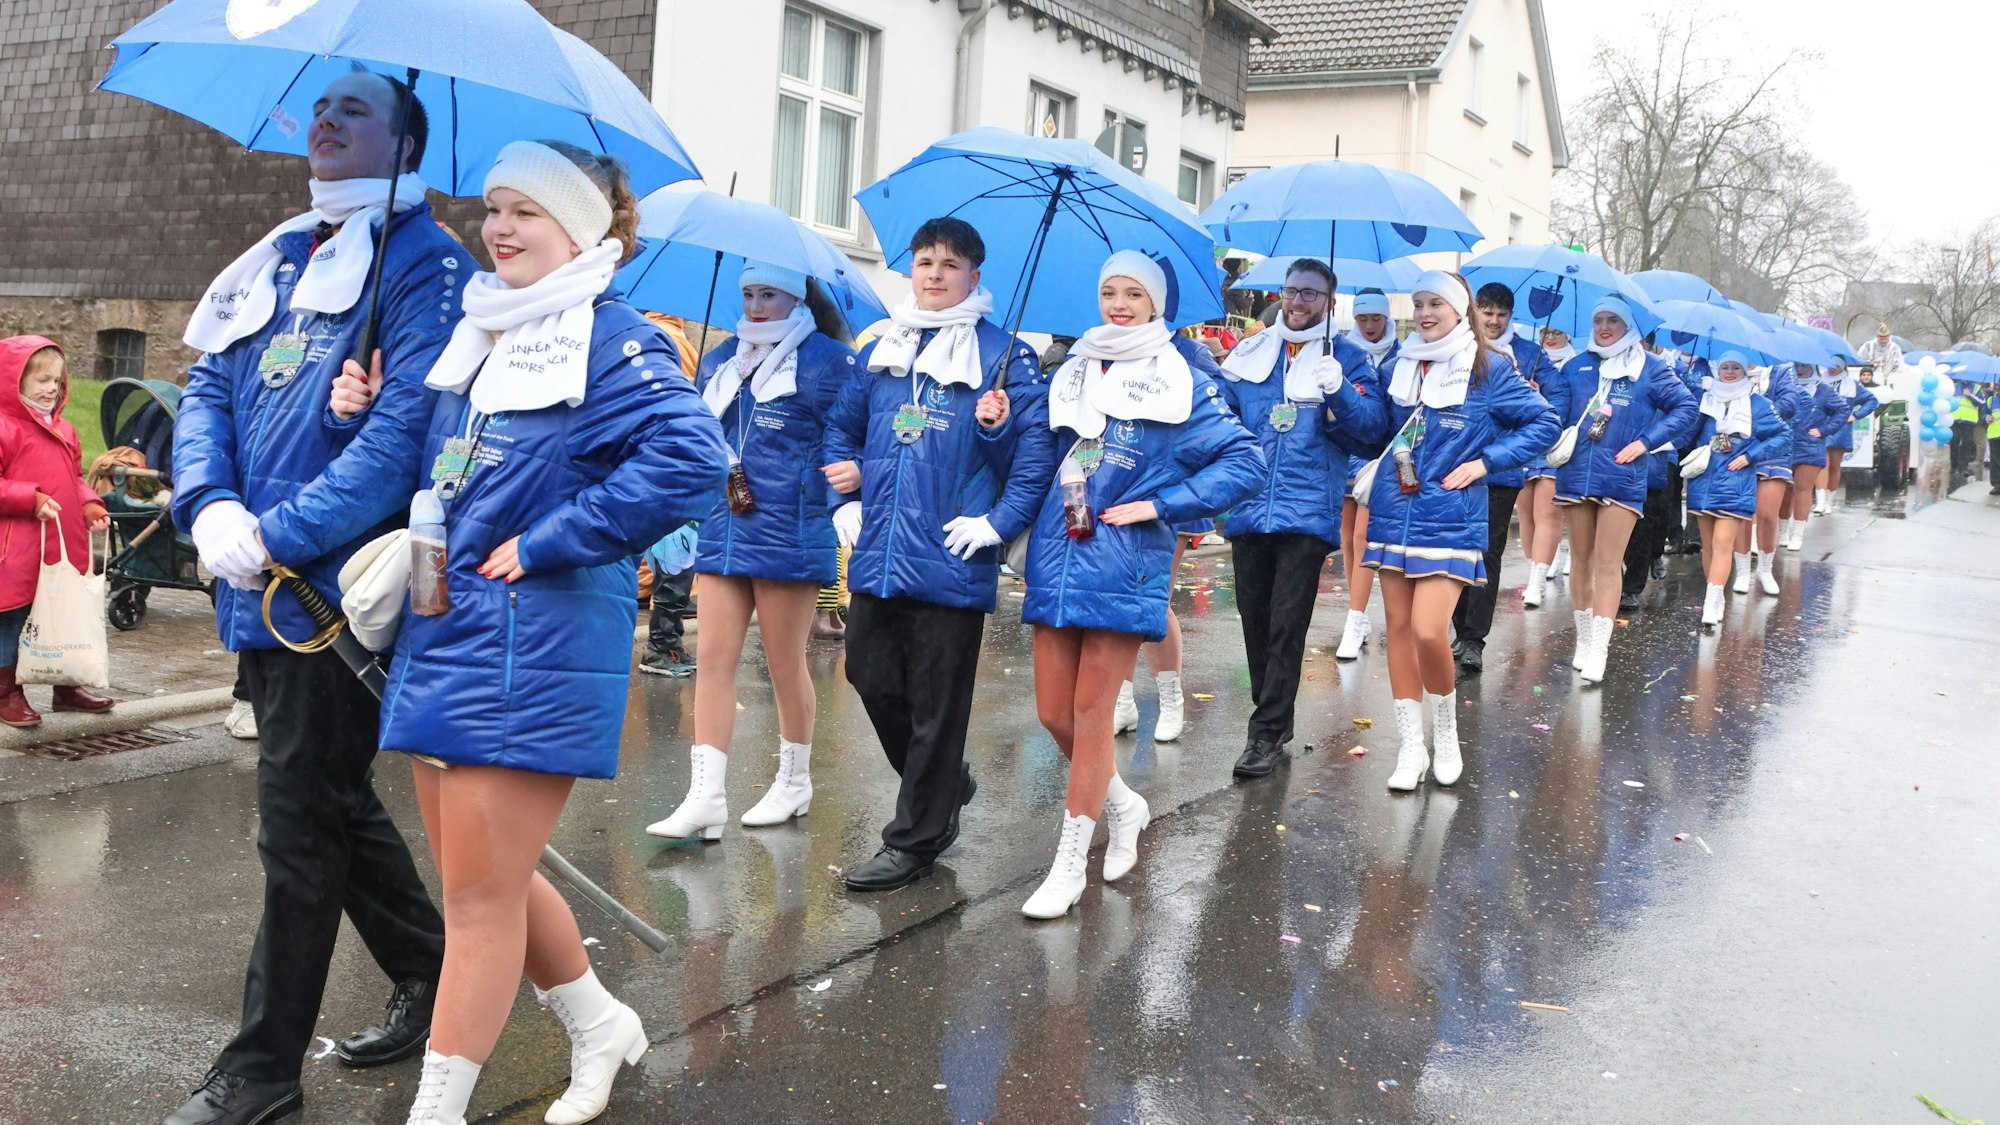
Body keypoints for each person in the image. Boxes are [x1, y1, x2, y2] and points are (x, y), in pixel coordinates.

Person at [336, 139, 728, 1125]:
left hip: (534, 648)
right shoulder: (488, 334)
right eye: (493, 209)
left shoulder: (613, 336)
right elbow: (444, 479)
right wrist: (362, 414)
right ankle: (600, 1027)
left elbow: (690, 459)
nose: (498, 229)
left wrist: (556, 537)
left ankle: (436, 1113)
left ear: (582, 231)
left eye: (526, 213)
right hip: (446, 632)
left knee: (473, 905)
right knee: (488, 883)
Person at [163, 69, 453, 1125]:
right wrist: (207, 503)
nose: (325, 122)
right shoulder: (280, 253)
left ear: (405, 145)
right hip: (254, 580)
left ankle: (260, 1073)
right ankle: (433, 965)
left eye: (355, 111)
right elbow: (206, 384)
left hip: (327, 598)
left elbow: (399, 437)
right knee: (328, 800)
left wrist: (276, 535)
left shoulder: (427, 268)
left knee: (297, 826)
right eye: (321, 108)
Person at [1017, 251, 1263, 918]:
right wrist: (994, 418)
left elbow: (1246, 459)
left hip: (1126, 561)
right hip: (1057, 554)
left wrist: (1164, 504)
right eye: (1109, 292)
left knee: (1095, 714)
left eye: (1133, 293)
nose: (1119, 303)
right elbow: (1034, 455)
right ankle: (1123, 805)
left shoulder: (1179, 374)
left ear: (1156, 303)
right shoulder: (1070, 369)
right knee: (1053, 713)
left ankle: (1070, 864)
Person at [822, 217, 1052, 893]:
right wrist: (840, 494)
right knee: (868, 672)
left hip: (952, 554)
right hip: (879, 551)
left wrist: (998, 513)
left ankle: (916, 837)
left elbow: (1033, 457)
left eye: (949, 264)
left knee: (936, 701)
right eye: (924, 261)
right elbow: (840, 428)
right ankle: (944, 780)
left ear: (973, 277)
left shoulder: (1006, 357)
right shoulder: (881, 349)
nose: (933, 273)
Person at [646, 264, 857, 839]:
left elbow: (847, 439)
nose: (756, 305)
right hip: (725, 524)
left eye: (769, 294)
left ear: (796, 296)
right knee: (713, 659)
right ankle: (706, 797)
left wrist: (823, 496)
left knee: (785, 664)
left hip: (790, 528)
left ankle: (794, 782)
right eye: (748, 294)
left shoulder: (825, 360)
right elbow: (695, 435)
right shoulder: (719, 360)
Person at [1360, 271, 1557, 791]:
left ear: (1458, 309)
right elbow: (1374, 430)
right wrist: (1338, 392)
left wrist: (1486, 463)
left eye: (1436, 304)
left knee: (1429, 630)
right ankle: (1410, 748)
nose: (1425, 313)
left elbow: (1544, 423)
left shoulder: (1488, 367)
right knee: (1399, 633)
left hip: (1451, 518)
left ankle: (1445, 733)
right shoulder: (1400, 367)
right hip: (1392, 512)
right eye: (1419, 303)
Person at [1211, 259, 1386, 778]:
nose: (1298, 302)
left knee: (1287, 625)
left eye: (1311, 294)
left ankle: (1264, 733)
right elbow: (1221, 419)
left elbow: (1372, 431)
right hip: (1249, 506)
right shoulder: (1250, 351)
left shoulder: (1348, 359)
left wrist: (1342, 393)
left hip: (1307, 509)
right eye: (1292, 291)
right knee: (1255, 621)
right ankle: (1276, 716)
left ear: (1330, 303)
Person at [1545, 296, 1696, 685]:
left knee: (1608, 563)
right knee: (1580, 560)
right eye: (1598, 320)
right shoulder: (1578, 365)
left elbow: (1686, 408)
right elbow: (1556, 411)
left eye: (1613, 320)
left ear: (1628, 326)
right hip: (1577, 474)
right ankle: (1583, 639)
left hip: (1624, 478)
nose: (1605, 328)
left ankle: (1600, 647)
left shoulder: (1651, 367)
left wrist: (1646, 441)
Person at [1110, 326, 1235, 747]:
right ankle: (1123, 700)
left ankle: (1170, 697)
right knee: (1116, 603)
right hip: (1112, 497)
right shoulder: (1099, 353)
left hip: (1166, 502)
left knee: (1152, 601)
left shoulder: (1191, 356)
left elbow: (1214, 436)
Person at [0, 337, 115, 727]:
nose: (52, 388)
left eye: (58, 381)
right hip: (16, 546)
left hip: (62, 542)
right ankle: (6, 692)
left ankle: (66, 686)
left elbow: (74, 478)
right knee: (13, 620)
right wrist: (29, 499)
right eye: (42, 380)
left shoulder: (64, 428)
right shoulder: (4, 426)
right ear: (12, 381)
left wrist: (89, 504)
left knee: (62, 614)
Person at [1453, 288, 1558, 671]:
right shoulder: (1459, 349)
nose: (1494, 321)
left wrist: (1536, 395)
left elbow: (1555, 406)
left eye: (1501, 314)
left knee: (1487, 551)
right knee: (1455, 549)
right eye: (1487, 312)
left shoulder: (1531, 355)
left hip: (1501, 470)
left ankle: (1473, 638)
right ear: (1474, 312)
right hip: (1458, 466)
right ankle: (1456, 625)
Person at [1683, 352, 1790, 628]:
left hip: (1735, 481)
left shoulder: (1758, 404)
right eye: (1725, 367)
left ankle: (1711, 601)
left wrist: (1752, 454)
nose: (1729, 372)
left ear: (1745, 372)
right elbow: (1687, 434)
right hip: (1703, 479)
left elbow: (1783, 434)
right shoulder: (1704, 398)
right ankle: (1715, 597)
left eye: (1736, 368)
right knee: (1708, 545)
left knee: (1722, 545)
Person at [1337, 288, 1399, 661]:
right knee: (1346, 537)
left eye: (1377, 318)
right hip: (1347, 452)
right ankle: (1355, 611)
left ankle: (1355, 617)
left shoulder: (1403, 354)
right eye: (1363, 319)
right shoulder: (1342, 352)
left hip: (1381, 458)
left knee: (1363, 537)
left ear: (1388, 318)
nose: (1371, 325)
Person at [1733, 361, 1805, 597]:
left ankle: (1765, 569)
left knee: (1767, 513)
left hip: (1774, 449)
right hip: (1740, 449)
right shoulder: (1732, 365)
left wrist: (1753, 407)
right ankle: (1742, 570)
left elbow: (1790, 404)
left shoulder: (1781, 371)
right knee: (1743, 512)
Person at [1783, 363, 1846, 550]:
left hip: (1810, 446)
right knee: (1785, 489)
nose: (1800, 369)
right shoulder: (1785, 386)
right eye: (1796, 365)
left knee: (1802, 488)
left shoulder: (1823, 390)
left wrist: (1824, 430)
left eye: (1805, 366)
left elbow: (1842, 410)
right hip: (1784, 446)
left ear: (1813, 367)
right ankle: (1782, 531)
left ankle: (1798, 534)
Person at [637, 521, 698, 675]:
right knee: (670, 588)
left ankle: (671, 646)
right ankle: (658, 650)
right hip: (671, 518)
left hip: (681, 518)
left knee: (679, 590)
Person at [1817, 364, 1878, 513]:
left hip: (1841, 429)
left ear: (1843, 367)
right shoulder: (1818, 381)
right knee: (1821, 463)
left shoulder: (1852, 384)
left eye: (1836, 366)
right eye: (1829, 365)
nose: (1832, 369)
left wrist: (1856, 415)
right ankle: (1820, 502)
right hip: (1821, 427)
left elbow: (1872, 401)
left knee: (1834, 466)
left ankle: (1830, 502)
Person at [1855, 323, 1903, 390]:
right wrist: (1871, 363)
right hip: (1868, 376)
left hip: (1888, 376)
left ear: (1889, 337)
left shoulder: (1895, 348)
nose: (1883, 341)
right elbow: (1858, 360)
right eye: (1881, 339)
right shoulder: (1867, 346)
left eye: (1885, 339)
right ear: (1877, 337)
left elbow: (1898, 364)